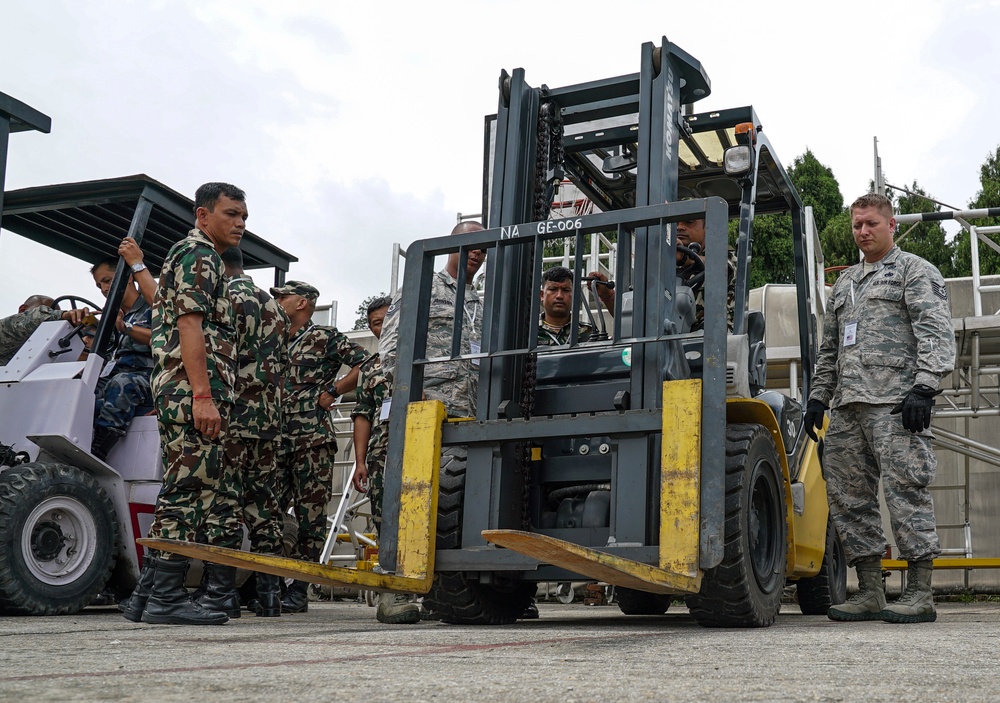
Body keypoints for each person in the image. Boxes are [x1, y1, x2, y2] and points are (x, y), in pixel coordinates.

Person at [804, 192, 956, 625]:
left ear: (891, 225)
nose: (863, 231)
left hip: (895, 404)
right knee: (849, 499)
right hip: (847, 406)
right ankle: (871, 590)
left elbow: (935, 330)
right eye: (857, 225)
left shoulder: (914, 270)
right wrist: (818, 396)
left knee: (906, 490)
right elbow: (830, 348)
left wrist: (925, 388)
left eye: (871, 223)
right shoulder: (846, 283)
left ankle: (921, 592)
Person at [120, 182, 247, 626]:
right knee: (189, 493)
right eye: (230, 214)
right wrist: (204, 396)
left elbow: (163, 309)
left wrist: (138, 266)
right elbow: (190, 327)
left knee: (183, 487)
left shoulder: (183, 255)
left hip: (177, 389)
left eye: (244, 217)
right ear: (202, 215)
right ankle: (166, 600)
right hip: (191, 391)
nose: (240, 224)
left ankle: (146, 597)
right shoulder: (201, 256)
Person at [194, 245, 288, 619]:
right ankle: (269, 596)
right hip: (268, 421)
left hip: (232, 416)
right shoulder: (274, 307)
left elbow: (216, 354)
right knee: (265, 507)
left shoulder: (225, 297)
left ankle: (221, 593)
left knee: (224, 503)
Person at [272, 280, 366, 614]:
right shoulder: (272, 335)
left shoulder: (324, 336)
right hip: (273, 438)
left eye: (283, 297)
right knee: (267, 514)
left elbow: (365, 363)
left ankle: (299, 589)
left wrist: (334, 390)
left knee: (310, 518)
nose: (278, 301)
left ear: (303, 302)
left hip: (311, 438)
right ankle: (266, 586)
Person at [351, 296, 421, 624]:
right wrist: (361, 461)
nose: (384, 327)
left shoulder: (424, 357)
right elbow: (362, 415)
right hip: (384, 454)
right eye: (376, 324)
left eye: (388, 320)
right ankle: (392, 594)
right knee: (385, 519)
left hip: (425, 447)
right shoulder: (369, 368)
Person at [379, 220, 487, 418]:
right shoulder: (423, 288)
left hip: (471, 411)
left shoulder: (481, 306)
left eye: (483, 249)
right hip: (428, 405)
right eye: (471, 244)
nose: (477, 252)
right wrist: (409, 389)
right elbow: (391, 344)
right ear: (450, 245)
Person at [589, 215, 736, 332]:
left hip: (715, 347)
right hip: (670, 346)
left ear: (706, 230)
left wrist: (685, 257)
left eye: (689, 222)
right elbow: (636, 316)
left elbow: (720, 268)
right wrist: (608, 296)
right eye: (675, 223)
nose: (679, 227)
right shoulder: (659, 270)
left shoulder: (726, 257)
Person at [89, 255, 154, 459]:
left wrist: (126, 328)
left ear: (126, 277)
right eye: (99, 285)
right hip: (114, 376)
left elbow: (166, 340)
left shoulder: (152, 305)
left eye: (107, 281)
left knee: (123, 383)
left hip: (148, 379)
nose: (103, 289)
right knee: (80, 389)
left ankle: (97, 452)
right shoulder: (110, 315)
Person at [0, 296, 90, 365]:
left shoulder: (45, 349)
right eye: (47, 311)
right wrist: (62, 315)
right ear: (23, 310)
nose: (53, 323)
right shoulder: (6, 330)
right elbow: (32, 319)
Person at [537, 266, 593, 345]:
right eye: (553, 289)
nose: (559, 296)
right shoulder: (528, 332)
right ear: (542, 295)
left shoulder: (589, 332)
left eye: (566, 290)